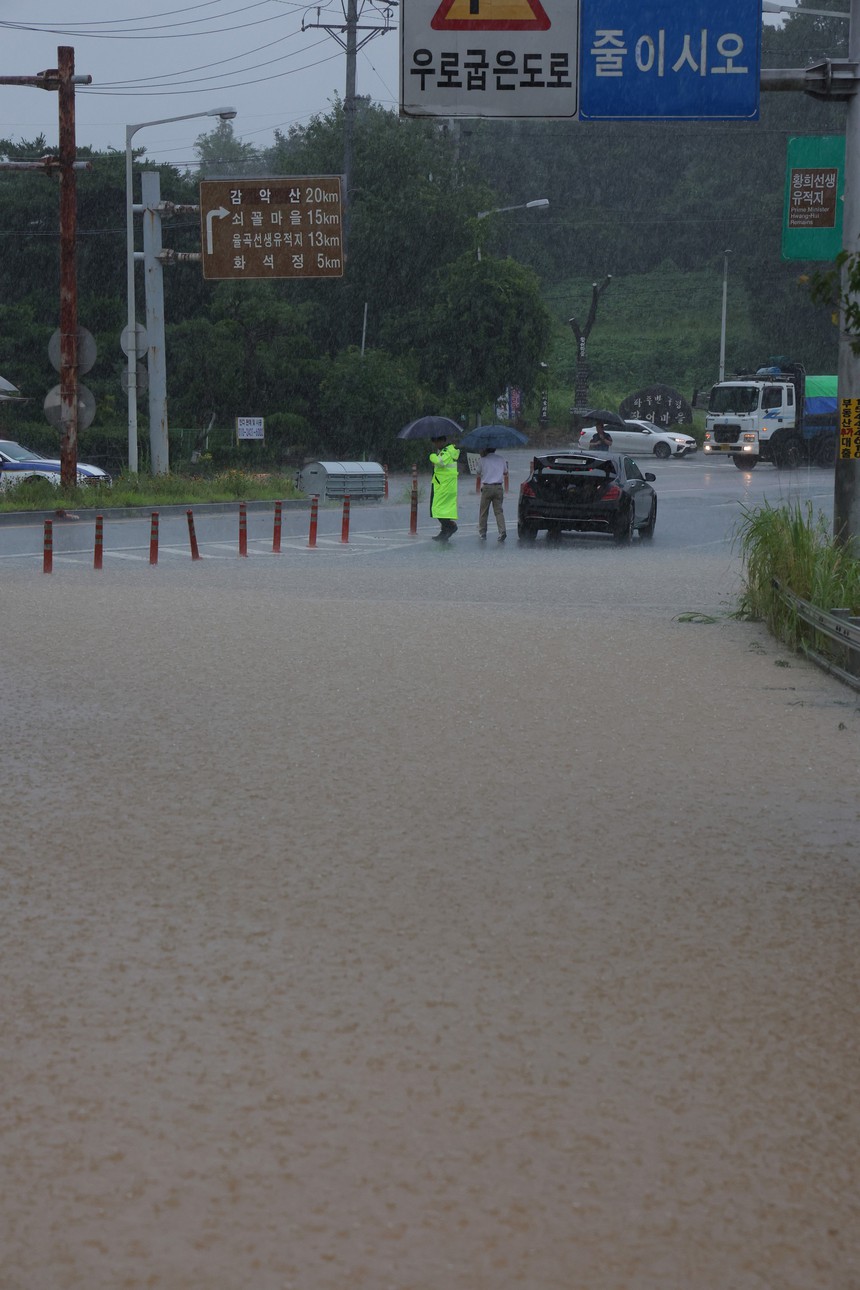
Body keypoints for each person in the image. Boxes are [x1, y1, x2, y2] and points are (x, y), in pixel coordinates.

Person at [429, 433, 460, 540]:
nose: (436, 444)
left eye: (437, 442)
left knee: (437, 509)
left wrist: (432, 456)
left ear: (443, 441)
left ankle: (450, 526)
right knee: (441, 510)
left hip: (444, 487)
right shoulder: (445, 452)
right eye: (434, 442)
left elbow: (440, 462)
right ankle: (444, 532)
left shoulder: (447, 452)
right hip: (443, 485)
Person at [476, 447, 507, 542]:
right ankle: (502, 531)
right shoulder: (501, 459)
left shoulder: (483, 460)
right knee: (498, 511)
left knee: (484, 511)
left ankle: (482, 533)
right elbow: (505, 472)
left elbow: (478, 471)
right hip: (498, 487)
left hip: (487, 488)